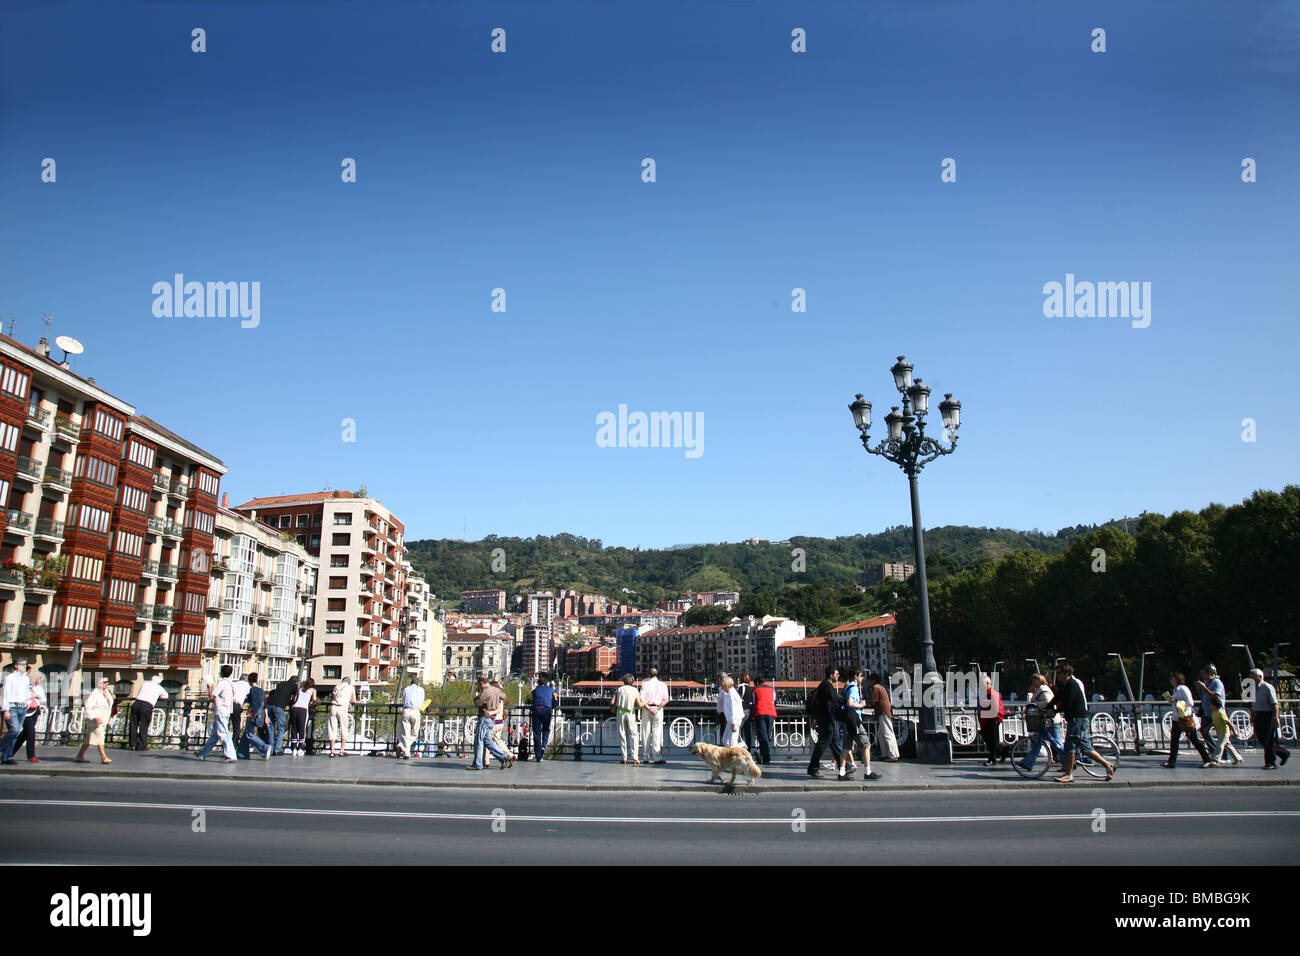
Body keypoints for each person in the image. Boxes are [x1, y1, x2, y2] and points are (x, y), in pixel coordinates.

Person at [1041, 664, 1114, 783]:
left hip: (1077, 719)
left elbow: (1067, 703)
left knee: (1070, 746)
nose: (1057, 676)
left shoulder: (1072, 685)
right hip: (1074, 719)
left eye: (1059, 673)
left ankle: (1069, 774)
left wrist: (1054, 711)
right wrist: (1046, 707)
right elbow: (1057, 698)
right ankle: (1107, 765)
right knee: (1086, 748)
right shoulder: (1064, 685)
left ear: (1067, 674)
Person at [1163, 672, 1213, 768]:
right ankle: (1171, 762)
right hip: (1177, 718)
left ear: (1177, 679)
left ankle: (1206, 759)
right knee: (1174, 740)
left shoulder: (1183, 689)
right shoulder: (1175, 689)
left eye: (1172, 678)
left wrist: (1176, 701)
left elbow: (1190, 702)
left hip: (1185, 718)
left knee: (1194, 740)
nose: (1171, 680)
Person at [1018, 673, 1064, 772]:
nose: (1033, 682)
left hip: (1051, 720)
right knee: (1040, 742)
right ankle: (1028, 762)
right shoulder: (1040, 690)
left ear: (1040, 680)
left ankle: (1068, 761)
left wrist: (1035, 704)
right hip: (1046, 720)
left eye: (1035, 680)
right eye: (1032, 680)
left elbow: (1048, 702)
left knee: (1056, 741)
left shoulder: (1044, 690)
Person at [806, 666, 843, 779]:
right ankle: (813, 768)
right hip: (827, 718)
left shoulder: (824, 685)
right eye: (836, 674)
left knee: (834, 744)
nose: (838, 676)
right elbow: (832, 702)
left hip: (824, 717)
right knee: (823, 743)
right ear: (831, 675)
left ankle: (843, 767)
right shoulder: (828, 686)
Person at [1197, 676, 1243, 766]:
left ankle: (1215, 760)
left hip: (1224, 732)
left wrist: (1234, 731)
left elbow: (1228, 722)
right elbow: (1214, 722)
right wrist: (1208, 727)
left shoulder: (1220, 712)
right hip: (1220, 731)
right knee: (1228, 745)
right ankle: (1238, 758)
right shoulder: (1214, 713)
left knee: (1220, 746)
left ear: (1215, 705)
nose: (1209, 706)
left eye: (1211, 704)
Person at [1251, 668, 1291, 769]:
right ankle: (1283, 753)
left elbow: (1275, 704)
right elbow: (1254, 703)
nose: (1251, 677)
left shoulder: (1267, 687)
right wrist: (1252, 715)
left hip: (1267, 715)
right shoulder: (1254, 688)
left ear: (1259, 676)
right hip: (1258, 715)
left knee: (1268, 740)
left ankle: (1271, 762)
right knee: (1262, 739)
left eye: (1253, 675)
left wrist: (1275, 717)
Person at [470, 675, 513, 770]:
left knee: (479, 741)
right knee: (488, 741)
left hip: (484, 717)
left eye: (478, 684)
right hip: (492, 719)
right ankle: (502, 757)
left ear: (481, 683)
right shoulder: (495, 690)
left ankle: (477, 764)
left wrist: (476, 695)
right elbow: (504, 696)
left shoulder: (485, 692)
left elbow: (478, 703)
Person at [196, 665, 237, 762]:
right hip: (227, 710)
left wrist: (209, 687)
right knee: (215, 735)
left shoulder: (222, 683)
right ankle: (202, 754)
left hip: (221, 710)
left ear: (222, 672)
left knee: (224, 733)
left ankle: (231, 755)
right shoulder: (231, 683)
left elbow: (213, 696)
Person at [841, 669, 877, 779]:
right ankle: (868, 772)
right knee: (866, 745)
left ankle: (841, 773)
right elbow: (850, 703)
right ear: (856, 676)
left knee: (846, 747)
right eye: (861, 676)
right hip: (854, 719)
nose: (862, 678)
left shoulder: (847, 687)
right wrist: (861, 705)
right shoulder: (853, 688)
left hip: (847, 720)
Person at [75, 677, 115, 764]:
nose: (107, 683)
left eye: (108, 682)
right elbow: (88, 706)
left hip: (103, 719)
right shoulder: (95, 694)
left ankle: (80, 755)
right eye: (105, 682)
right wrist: (94, 717)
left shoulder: (107, 692)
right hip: (96, 720)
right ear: (99, 684)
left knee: (89, 739)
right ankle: (104, 757)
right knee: (100, 737)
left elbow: (109, 704)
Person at [9, 673, 46, 763]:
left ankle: (9, 752)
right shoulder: (25, 687)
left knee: (24, 734)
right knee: (31, 732)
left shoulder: (39, 688)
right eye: (39, 678)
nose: (39, 680)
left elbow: (43, 699)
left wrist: (37, 696)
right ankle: (31, 756)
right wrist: (31, 696)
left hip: (35, 711)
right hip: (25, 712)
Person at [0, 658, 32, 764]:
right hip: (12, 706)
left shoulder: (26, 678)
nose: (24, 667)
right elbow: (5, 694)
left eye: (25, 665)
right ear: (16, 666)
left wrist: (27, 701)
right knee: (15, 730)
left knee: (15, 733)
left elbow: (27, 691)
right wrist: (5, 709)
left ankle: (7, 756)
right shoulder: (10, 678)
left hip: (22, 707)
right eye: (22, 665)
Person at [637, 667, 668, 764]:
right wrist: (657, 708)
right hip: (658, 710)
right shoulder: (663, 685)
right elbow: (666, 700)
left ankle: (646, 757)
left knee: (645, 732)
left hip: (647, 709)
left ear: (649, 675)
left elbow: (641, 699)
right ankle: (657, 756)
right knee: (657, 732)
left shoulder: (645, 684)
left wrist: (649, 708)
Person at [129, 675, 168, 751]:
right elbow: (165, 696)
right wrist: (158, 697)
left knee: (133, 724)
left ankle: (132, 744)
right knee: (144, 726)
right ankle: (141, 745)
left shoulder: (145, 684)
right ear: (159, 682)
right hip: (146, 706)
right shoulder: (159, 687)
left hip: (136, 703)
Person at [1195, 665, 1226, 759]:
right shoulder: (1206, 682)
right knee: (1204, 731)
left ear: (1210, 673)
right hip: (1207, 711)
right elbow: (1203, 696)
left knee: (1222, 736)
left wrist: (1204, 688)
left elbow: (1215, 697)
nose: (1202, 676)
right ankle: (1215, 751)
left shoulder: (1217, 683)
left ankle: (1223, 756)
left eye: (1204, 673)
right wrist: (1199, 689)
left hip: (1217, 713)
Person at [237, 673, 270, 759]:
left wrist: (251, 713)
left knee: (249, 734)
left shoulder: (252, 690)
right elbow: (264, 705)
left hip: (254, 715)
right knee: (246, 734)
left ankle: (265, 747)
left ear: (250, 681)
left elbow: (253, 703)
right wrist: (266, 717)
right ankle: (242, 753)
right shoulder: (261, 690)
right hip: (260, 714)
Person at [867, 672, 899, 761]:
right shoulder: (881, 687)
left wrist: (864, 703)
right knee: (881, 734)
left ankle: (893, 755)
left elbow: (873, 701)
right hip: (885, 712)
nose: (869, 682)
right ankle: (885, 754)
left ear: (873, 681)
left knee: (887, 733)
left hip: (883, 713)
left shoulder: (875, 688)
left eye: (869, 681)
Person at [612, 673, 643, 764]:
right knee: (634, 735)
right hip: (630, 713)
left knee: (622, 735)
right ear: (632, 681)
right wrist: (646, 702)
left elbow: (612, 702)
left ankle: (624, 757)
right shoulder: (634, 690)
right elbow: (640, 704)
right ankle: (635, 757)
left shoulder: (619, 689)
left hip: (620, 713)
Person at [978, 674, 1008, 766]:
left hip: (992, 719)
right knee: (987, 737)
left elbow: (995, 707)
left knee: (992, 740)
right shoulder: (985, 693)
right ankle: (1003, 750)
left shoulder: (992, 693)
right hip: (986, 719)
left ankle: (992, 759)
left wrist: (995, 718)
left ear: (987, 683)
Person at [265, 674, 298, 755]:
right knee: (281, 728)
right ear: (296, 682)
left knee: (271, 727)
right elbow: (296, 697)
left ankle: (270, 749)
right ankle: (277, 749)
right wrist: (291, 703)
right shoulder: (294, 686)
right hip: (279, 706)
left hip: (270, 705)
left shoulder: (281, 684)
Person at [529, 674, 558, 762]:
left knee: (537, 732)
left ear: (538, 683)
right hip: (546, 710)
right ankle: (544, 746)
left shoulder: (534, 691)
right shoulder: (552, 690)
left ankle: (538, 756)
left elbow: (532, 700)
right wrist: (551, 706)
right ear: (547, 683)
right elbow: (556, 702)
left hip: (537, 709)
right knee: (546, 729)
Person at [752, 675, 777, 765]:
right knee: (767, 734)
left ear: (757, 683)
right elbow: (774, 700)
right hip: (771, 713)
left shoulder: (755, 690)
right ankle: (764, 753)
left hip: (760, 712)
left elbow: (754, 703)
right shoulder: (771, 689)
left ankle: (765, 757)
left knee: (762, 736)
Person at [326, 676, 354, 757]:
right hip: (343, 708)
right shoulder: (350, 688)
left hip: (333, 708)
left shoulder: (336, 686)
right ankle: (342, 751)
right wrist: (349, 703)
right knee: (344, 728)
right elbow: (354, 700)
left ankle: (332, 751)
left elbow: (333, 697)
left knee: (332, 728)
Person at [398, 679, 425, 759]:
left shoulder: (406, 689)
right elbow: (422, 701)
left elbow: (403, 699)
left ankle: (404, 749)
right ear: (418, 684)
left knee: (405, 733)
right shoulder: (421, 690)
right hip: (415, 711)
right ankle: (404, 748)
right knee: (414, 734)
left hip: (406, 710)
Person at [289, 678, 316, 755]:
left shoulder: (300, 689)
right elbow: (314, 700)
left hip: (295, 708)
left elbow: (295, 699)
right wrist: (312, 703)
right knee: (302, 728)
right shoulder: (313, 690)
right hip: (303, 709)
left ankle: (294, 747)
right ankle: (300, 747)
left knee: (294, 727)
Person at [719, 675, 744, 748]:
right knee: (727, 740)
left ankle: (735, 756)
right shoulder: (731, 693)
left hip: (734, 721)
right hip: (732, 720)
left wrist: (733, 724)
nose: (722, 688)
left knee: (731, 741)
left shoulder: (731, 695)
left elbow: (733, 709)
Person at [230, 673, 251, 744]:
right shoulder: (247, 686)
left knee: (226, 726)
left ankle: (226, 745)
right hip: (237, 706)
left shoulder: (234, 684)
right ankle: (234, 744)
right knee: (236, 727)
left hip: (228, 704)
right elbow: (249, 696)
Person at [738, 672, 756, 750]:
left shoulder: (742, 687)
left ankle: (739, 747)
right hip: (748, 710)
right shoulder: (750, 688)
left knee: (737, 731)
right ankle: (748, 749)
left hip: (742, 710)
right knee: (747, 731)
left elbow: (738, 699)